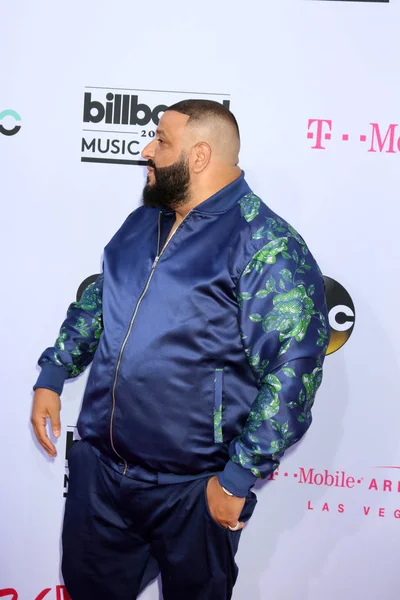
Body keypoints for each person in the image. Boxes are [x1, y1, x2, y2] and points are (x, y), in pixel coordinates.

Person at [31, 99, 330, 600]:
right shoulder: (140, 222)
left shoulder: (266, 243)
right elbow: (101, 299)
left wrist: (236, 480)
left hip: (193, 491)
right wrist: (54, 372)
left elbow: (292, 373)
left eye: (161, 141)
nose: (146, 150)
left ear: (199, 155)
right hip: (101, 478)